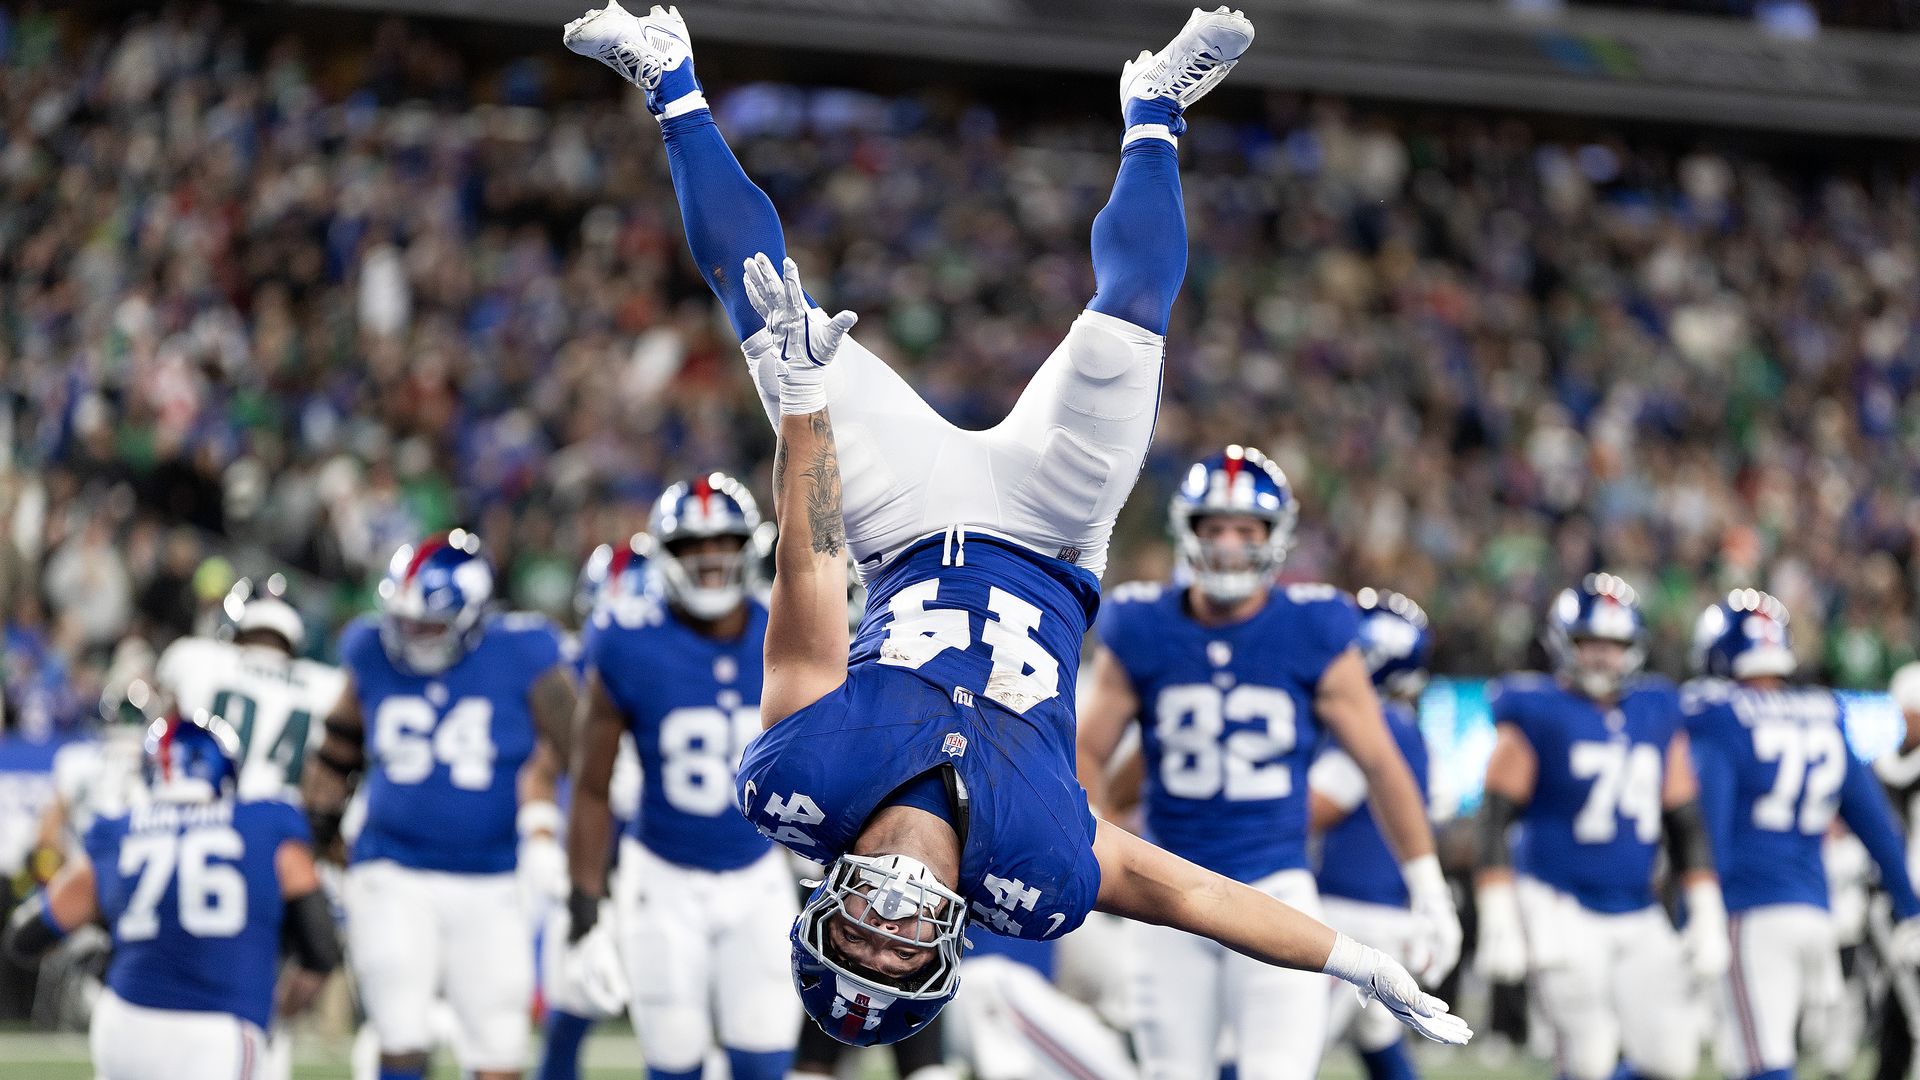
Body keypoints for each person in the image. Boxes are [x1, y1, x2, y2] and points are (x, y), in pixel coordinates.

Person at [562, 0, 1470, 1049]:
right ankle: (1155, 111)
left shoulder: (798, 787)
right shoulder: (1032, 866)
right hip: (1052, 532)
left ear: (821, 910)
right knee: (1127, 322)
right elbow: (1192, 896)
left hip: (896, 526)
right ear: (947, 946)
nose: (884, 930)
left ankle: (669, 77)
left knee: (774, 322)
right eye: (899, 959)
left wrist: (805, 407)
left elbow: (809, 577)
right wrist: (1351, 958)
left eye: (854, 941)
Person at [1076, 451, 1460, 1080]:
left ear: (1274, 538)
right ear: (1189, 531)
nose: (1228, 546)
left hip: (1275, 887)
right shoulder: (1142, 623)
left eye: (1245, 530)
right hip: (1167, 893)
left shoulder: (1314, 625)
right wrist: (1090, 840)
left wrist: (1428, 885)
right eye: (1215, 527)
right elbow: (1089, 753)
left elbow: (1380, 763)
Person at [302, 530, 576, 1080]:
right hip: (393, 870)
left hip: (496, 877)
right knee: (400, 1032)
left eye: (427, 622)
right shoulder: (369, 648)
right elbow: (335, 753)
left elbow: (581, 748)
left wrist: (544, 809)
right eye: (403, 618)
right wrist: (323, 838)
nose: (410, 633)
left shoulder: (524, 651)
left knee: (500, 1046)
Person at [565, 475, 802, 1080]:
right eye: (692, 546)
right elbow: (590, 786)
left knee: (765, 1057)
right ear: (663, 556)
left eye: (722, 541)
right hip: (661, 877)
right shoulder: (625, 640)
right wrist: (584, 909)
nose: (709, 559)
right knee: (673, 1064)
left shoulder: (790, 626)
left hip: (758, 872)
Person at [1473, 573, 1726, 1080]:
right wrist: (1496, 905)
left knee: (1669, 1058)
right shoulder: (1536, 708)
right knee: (1587, 1053)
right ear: (1564, 643)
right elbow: (1495, 815)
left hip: (1636, 903)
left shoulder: (1654, 708)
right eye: (1590, 643)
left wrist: (1704, 903)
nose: (1602, 658)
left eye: (1614, 645)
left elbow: (1684, 819)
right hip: (1558, 899)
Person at [3, 712, 341, 1080]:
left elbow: (26, 937)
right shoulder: (268, 823)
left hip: (125, 1027)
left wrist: (109, 933)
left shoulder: (119, 832)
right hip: (219, 1028)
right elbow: (320, 949)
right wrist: (281, 1009)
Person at [1684, 589, 1920, 1080]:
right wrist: (1910, 906)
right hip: (1815, 911)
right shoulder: (1824, 714)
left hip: (1750, 909)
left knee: (1761, 1063)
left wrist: (1695, 907)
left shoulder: (1721, 715)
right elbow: (1877, 825)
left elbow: (1712, 824)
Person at [1309, 589, 1438, 1080]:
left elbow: (1312, 810)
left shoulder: (1377, 725)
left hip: (1354, 917)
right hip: (1382, 911)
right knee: (1379, 1047)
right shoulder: (1408, 725)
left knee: (1282, 1044)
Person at [156, 577, 347, 801]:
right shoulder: (328, 684)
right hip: (282, 822)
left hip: (202, 810)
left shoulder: (194, 656)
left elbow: (161, 735)